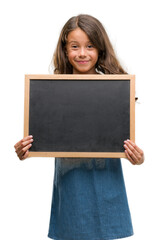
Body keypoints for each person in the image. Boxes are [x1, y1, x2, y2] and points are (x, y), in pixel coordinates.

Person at [14, 14, 144, 240]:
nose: (82, 53)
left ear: (100, 50)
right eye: (75, 46)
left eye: (90, 46)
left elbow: (123, 141)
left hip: (108, 188)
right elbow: (42, 140)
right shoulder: (51, 92)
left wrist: (138, 157)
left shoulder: (115, 91)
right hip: (71, 190)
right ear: (65, 50)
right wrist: (25, 150)